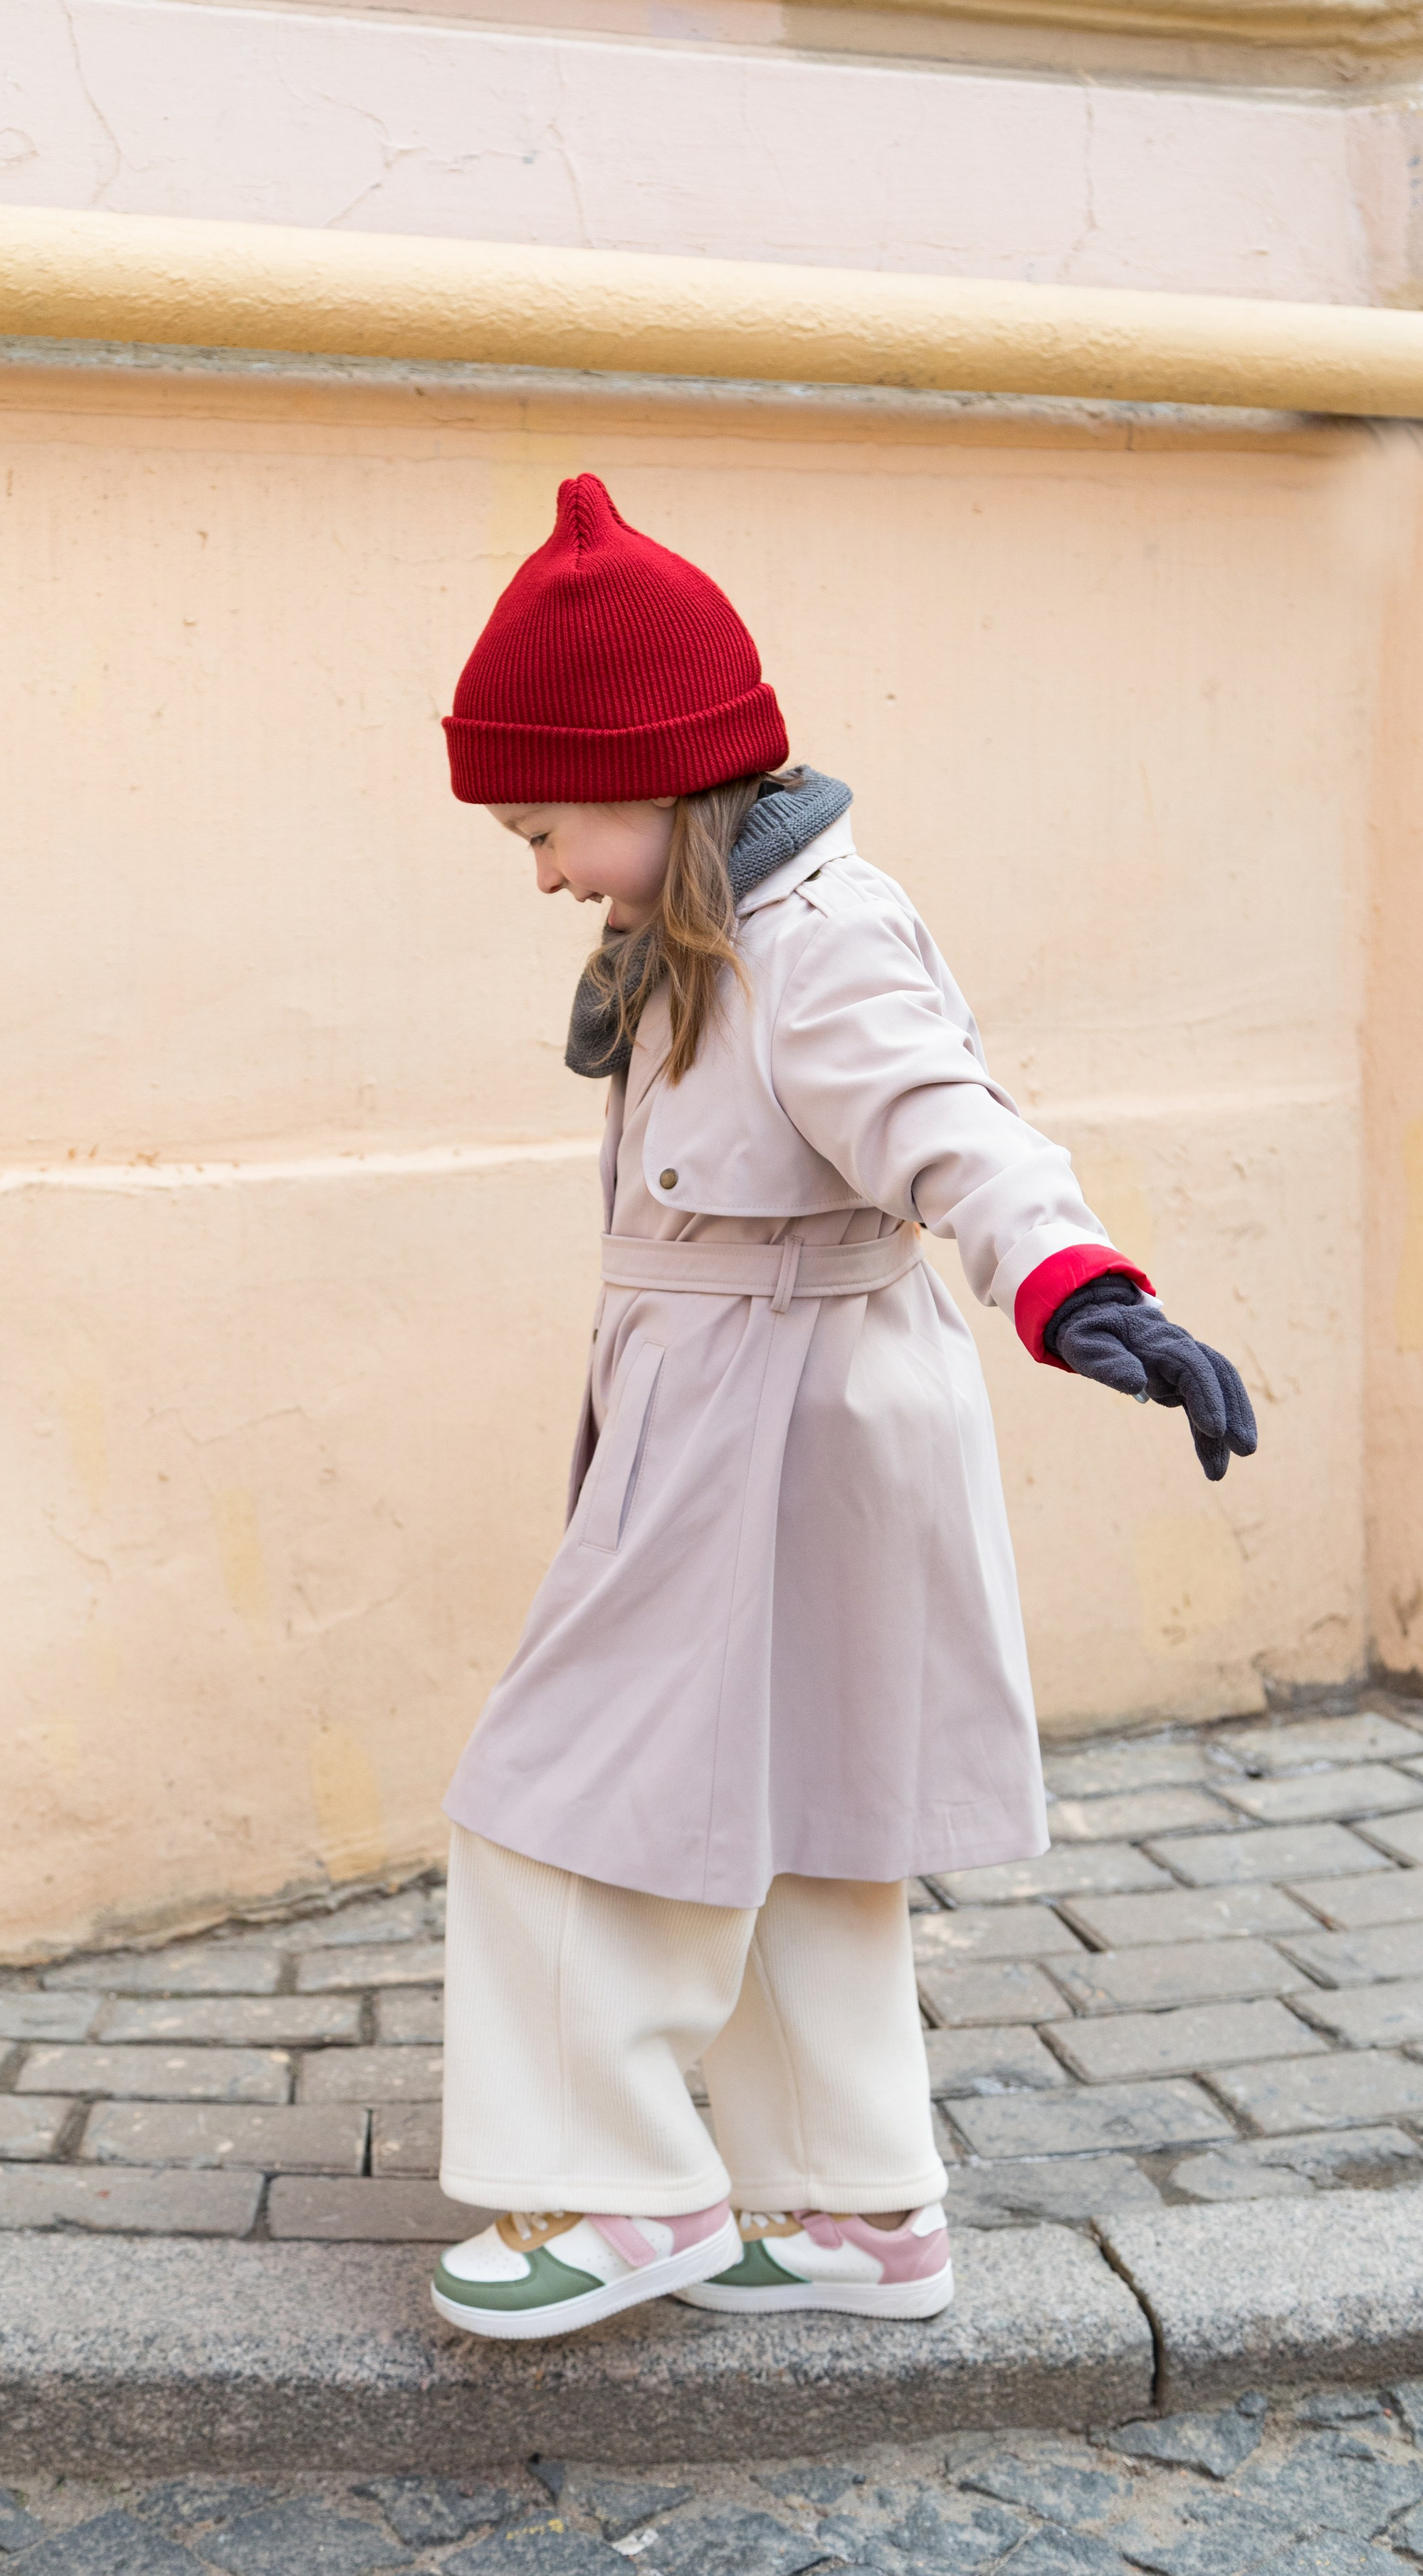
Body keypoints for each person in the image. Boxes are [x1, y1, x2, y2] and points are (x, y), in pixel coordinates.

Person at [425, 476, 1256, 2343]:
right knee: (801, 1806)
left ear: (652, 781)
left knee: (561, 1796)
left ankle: (625, 2192)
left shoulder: (814, 941)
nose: (541, 870)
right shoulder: (721, 930)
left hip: (770, 1422)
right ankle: (863, 2211)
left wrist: (1076, 1281)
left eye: (545, 826)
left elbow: (952, 1126)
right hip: (767, 1408)